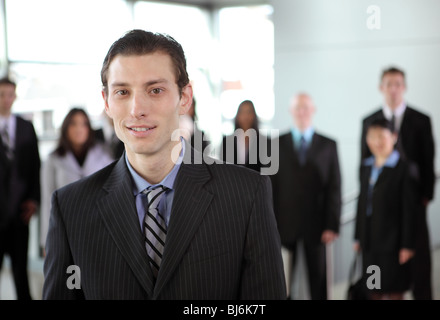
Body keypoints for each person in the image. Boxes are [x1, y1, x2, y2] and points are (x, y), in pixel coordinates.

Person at [42, 29, 286, 300]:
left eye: (155, 90)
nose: (137, 109)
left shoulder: (246, 194)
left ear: (185, 97)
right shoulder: (71, 207)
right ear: (107, 103)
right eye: (122, 91)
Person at [361, 67, 436, 300]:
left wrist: (423, 199)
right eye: (388, 84)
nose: (393, 89)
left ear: (404, 87)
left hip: (412, 207)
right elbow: (364, 166)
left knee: (419, 267)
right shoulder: (369, 121)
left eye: (398, 84)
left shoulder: (421, 120)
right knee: (379, 277)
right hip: (381, 215)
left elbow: (428, 163)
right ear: (380, 87)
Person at [270, 93, 342, 300]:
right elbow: (269, 188)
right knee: (280, 283)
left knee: (319, 283)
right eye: (297, 107)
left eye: (306, 107)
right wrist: (269, 223)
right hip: (283, 225)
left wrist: (332, 224)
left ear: (313, 110)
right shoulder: (274, 144)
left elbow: (334, 187)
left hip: (318, 226)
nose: (302, 112)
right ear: (291, 111)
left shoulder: (329, 145)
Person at [354, 118, 419, 300]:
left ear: (394, 137)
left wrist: (407, 245)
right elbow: (361, 204)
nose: (377, 142)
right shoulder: (366, 167)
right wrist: (358, 236)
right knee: (373, 289)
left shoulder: (405, 169)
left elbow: (409, 211)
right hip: (370, 244)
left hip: (394, 246)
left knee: (394, 290)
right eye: (372, 137)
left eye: (381, 136)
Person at [40, 107, 114, 251]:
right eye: (74, 124)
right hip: (66, 230)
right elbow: (47, 200)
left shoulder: (105, 154)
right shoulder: (53, 159)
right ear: (66, 127)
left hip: (100, 229)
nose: (79, 129)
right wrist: (46, 240)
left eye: (84, 124)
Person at [0, 77, 41, 300]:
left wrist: (34, 200)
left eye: (10, 94)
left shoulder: (26, 127)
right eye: (2, 94)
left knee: (20, 271)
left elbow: (36, 167)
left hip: (19, 212)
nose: (6, 100)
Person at [220, 100, 269, 173]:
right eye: (242, 112)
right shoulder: (226, 141)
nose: (246, 116)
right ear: (237, 115)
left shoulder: (265, 141)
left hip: (256, 182)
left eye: (249, 112)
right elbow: (223, 168)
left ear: (254, 115)